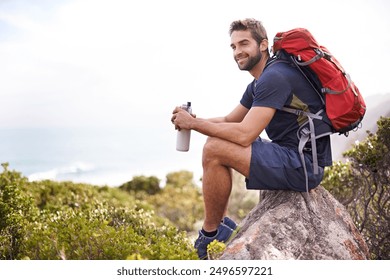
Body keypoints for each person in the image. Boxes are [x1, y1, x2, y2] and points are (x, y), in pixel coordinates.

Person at [171, 18, 332, 259]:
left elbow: (245, 134)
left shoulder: (275, 77)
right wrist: (192, 120)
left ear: (263, 45)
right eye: (234, 47)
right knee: (215, 145)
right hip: (292, 156)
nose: (238, 52)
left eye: (244, 43)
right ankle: (220, 228)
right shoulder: (259, 82)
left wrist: (194, 124)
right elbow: (229, 121)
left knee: (214, 149)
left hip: (304, 166)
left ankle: (211, 234)